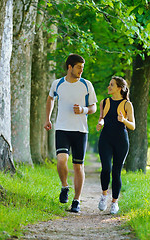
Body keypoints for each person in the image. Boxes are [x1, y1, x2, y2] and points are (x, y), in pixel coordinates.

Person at [44, 54, 97, 213]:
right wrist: (47, 119)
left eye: (82, 67)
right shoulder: (57, 83)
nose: (82, 70)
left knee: (78, 165)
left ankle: (76, 201)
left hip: (81, 130)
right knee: (61, 160)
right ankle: (65, 186)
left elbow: (93, 107)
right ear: (70, 67)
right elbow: (50, 99)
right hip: (62, 128)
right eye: (79, 67)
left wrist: (83, 110)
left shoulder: (87, 85)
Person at [96, 76, 135, 214]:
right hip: (105, 139)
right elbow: (102, 118)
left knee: (116, 171)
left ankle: (114, 202)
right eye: (109, 84)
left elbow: (133, 126)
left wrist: (123, 120)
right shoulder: (104, 102)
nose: (109, 87)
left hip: (121, 141)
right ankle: (104, 195)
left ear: (119, 88)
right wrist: (100, 123)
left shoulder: (127, 104)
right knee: (106, 168)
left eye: (111, 85)